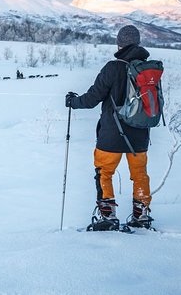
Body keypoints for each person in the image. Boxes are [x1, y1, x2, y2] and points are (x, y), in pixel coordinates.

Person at [65, 25, 154, 231]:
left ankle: (108, 216)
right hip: (140, 134)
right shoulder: (147, 70)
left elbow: (92, 98)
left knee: (104, 173)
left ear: (119, 43)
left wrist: (73, 102)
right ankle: (141, 216)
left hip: (111, 135)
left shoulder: (112, 68)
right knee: (140, 174)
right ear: (138, 43)